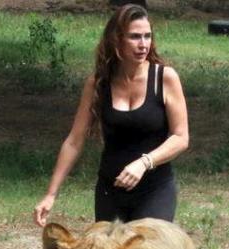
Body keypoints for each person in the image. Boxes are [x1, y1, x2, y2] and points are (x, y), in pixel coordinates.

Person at [33, 4, 189, 227]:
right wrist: (51, 194)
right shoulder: (98, 83)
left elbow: (181, 138)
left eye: (147, 36)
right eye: (135, 37)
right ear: (117, 39)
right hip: (110, 190)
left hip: (154, 189)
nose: (143, 44)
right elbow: (74, 141)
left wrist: (145, 162)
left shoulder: (165, 78)